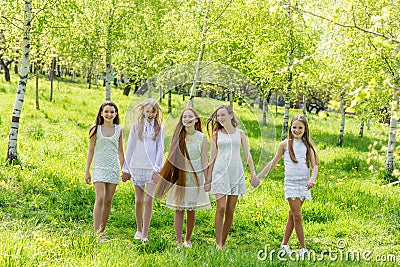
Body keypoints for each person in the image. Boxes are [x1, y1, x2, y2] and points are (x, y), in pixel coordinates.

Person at [251, 115, 319, 257]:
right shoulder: (285, 144)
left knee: (292, 214)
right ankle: (303, 248)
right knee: (298, 216)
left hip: (304, 184)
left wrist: (312, 179)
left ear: (305, 129)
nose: (297, 130)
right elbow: (273, 163)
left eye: (300, 127)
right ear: (290, 127)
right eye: (294, 127)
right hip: (291, 184)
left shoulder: (308, 146)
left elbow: (315, 166)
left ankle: (284, 245)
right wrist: (258, 176)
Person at [156, 108, 211, 248]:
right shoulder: (179, 136)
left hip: (195, 178)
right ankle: (178, 241)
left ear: (196, 120)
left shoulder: (202, 138)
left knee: (191, 209)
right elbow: (172, 157)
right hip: (180, 177)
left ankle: (187, 239)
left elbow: (204, 160)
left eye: (190, 117)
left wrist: (207, 179)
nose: (187, 119)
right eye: (184, 117)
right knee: (179, 209)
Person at [205, 104, 256, 250]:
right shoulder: (216, 134)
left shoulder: (240, 133)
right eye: (218, 116)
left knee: (230, 210)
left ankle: (223, 241)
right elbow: (212, 157)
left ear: (231, 115)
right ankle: (218, 243)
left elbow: (247, 154)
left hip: (236, 172)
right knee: (220, 207)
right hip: (220, 172)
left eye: (223, 115)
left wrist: (253, 174)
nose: (220, 118)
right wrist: (208, 178)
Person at [122, 98, 164, 243]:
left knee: (149, 199)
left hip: (151, 168)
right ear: (143, 111)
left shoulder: (159, 128)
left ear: (156, 112)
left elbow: (160, 149)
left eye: (153, 111)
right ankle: (138, 229)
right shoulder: (136, 127)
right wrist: (126, 168)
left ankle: (145, 233)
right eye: (148, 111)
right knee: (139, 200)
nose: (150, 114)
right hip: (137, 166)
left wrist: (157, 168)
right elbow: (131, 147)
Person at [85, 101, 127, 242]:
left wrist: (124, 169)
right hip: (99, 168)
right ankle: (95, 234)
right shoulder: (95, 129)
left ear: (115, 114)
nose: (109, 114)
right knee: (100, 198)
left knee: (108, 201)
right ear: (101, 113)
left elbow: (120, 152)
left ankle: (102, 233)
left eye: (112, 112)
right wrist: (87, 171)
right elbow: (91, 151)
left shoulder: (120, 129)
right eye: (106, 111)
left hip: (113, 168)